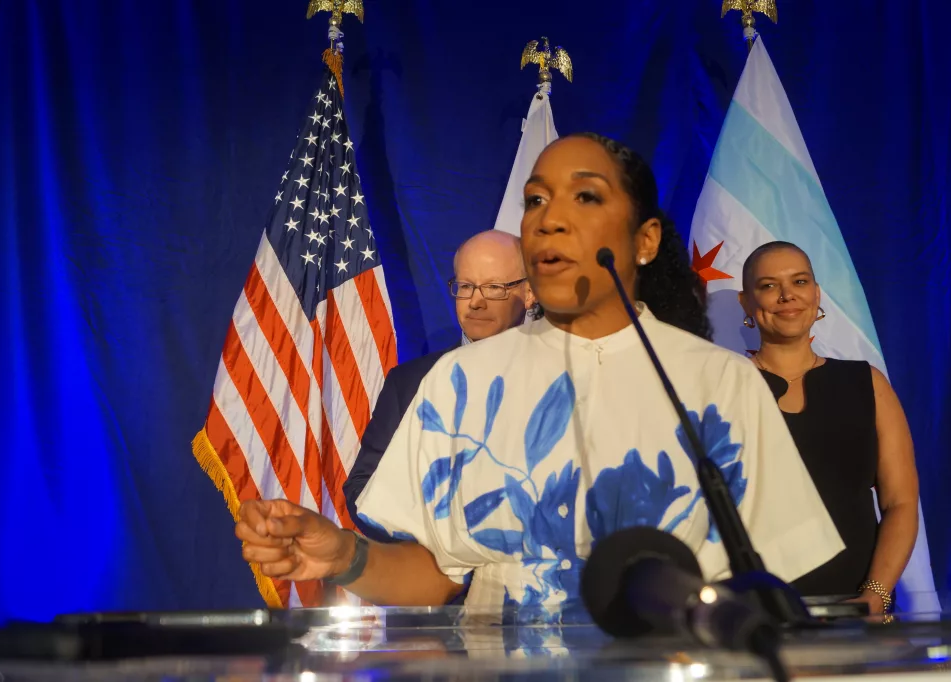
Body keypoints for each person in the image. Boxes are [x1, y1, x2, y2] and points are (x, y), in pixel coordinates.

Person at [236, 133, 844, 616]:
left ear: (645, 240)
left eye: (585, 197)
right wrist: (342, 555)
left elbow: (771, 577)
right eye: (535, 200)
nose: (549, 220)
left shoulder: (721, 384)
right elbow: (433, 577)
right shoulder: (458, 382)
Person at [738, 241, 919, 618]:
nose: (787, 295)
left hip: (856, 613)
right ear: (746, 303)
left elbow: (900, 502)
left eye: (799, 282)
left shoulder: (866, 383)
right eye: (769, 285)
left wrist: (876, 592)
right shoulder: (723, 384)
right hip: (753, 614)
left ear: (816, 294)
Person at [345, 230, 536, 537]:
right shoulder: (409, 383)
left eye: (494, 287)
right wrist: (437, 537)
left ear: (529, 293)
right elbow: (362, 490)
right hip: (431, 572)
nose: (475, 302)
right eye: (465, 287)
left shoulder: (562, 378)